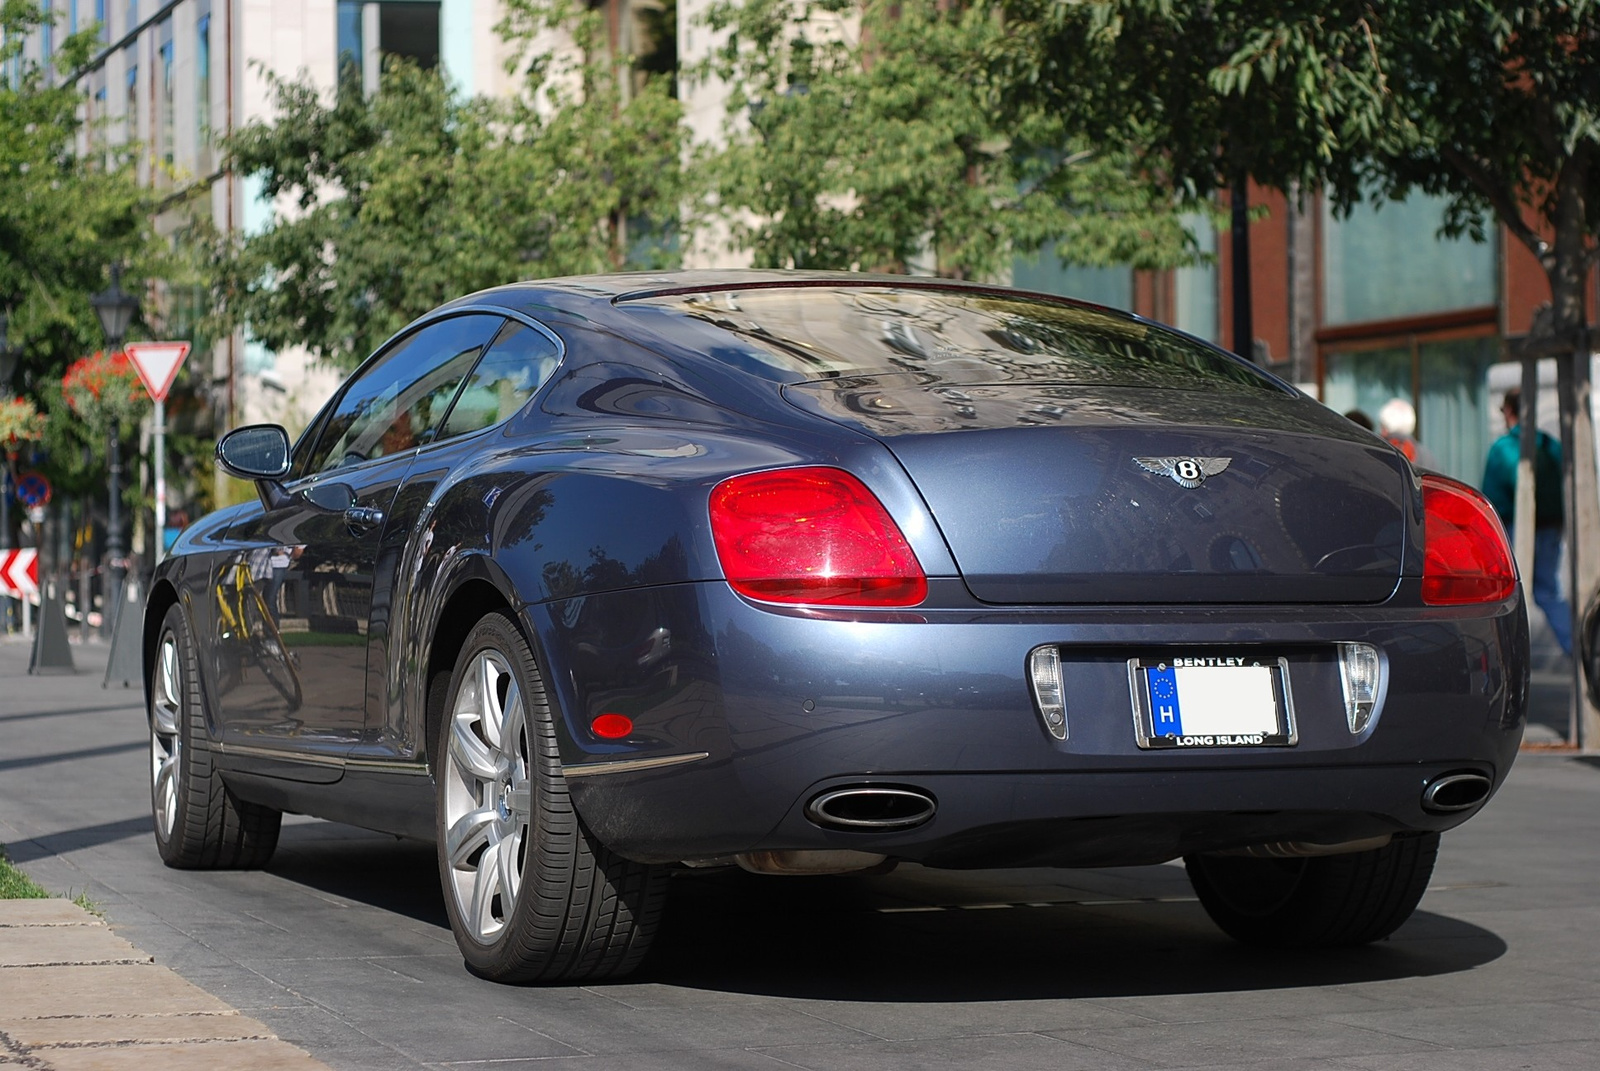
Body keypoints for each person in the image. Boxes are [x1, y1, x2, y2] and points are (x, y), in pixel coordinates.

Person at [1482, 387, 1570, 655]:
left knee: (1506, 594)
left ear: (1509, 411)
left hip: (1514, 529)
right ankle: (1580, 650)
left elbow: (1491, 497)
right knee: (1547, 592)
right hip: (1550, 527)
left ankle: (1507, 657)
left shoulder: (1504, 448)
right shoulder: (1549, 444)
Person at [1378, 398, 1440, 469]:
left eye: (1382, 426)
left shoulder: (1381, 452)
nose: (1380, 432)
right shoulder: (1427, 456)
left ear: (1385, 429)